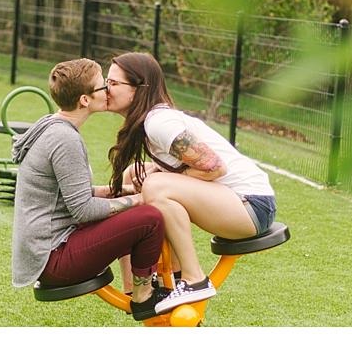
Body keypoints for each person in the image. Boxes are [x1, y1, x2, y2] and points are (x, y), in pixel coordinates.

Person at [106, 52, 277, 314]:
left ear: (139, 89)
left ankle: (193, 279)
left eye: (113, 83)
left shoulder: (158, 123)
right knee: (135, 175)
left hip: (251, 206)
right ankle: (143, 290)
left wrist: (163, 178)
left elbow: (214, 166)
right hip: (236, 202)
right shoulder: (150, 123)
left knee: (155, 185)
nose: (106, 89)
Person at [11, 58, 168, 321]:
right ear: (85, 100)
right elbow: (83, 210)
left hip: (52, 248)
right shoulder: (64, 139)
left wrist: (124, 190)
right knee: (150, 219)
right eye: (102, 86)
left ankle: (137, 288)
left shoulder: (54, 126)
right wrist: (141, 199)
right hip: (54, 258)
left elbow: (75, 194)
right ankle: (143, 296)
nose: (108, 90)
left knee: (136, 210)